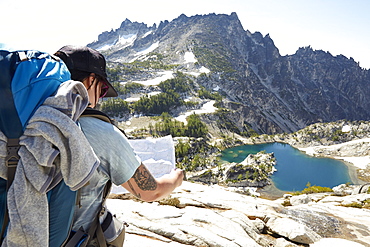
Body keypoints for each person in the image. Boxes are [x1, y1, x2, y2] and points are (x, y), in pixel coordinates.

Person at [54, 45, 184, 235]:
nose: (100, 98)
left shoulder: (28, 120)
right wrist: (176, 178)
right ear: (91, 80)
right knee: (114, 232)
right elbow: (151, 192)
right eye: (103, 89)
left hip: (16, 234)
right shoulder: (102, 132)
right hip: (70, 239)